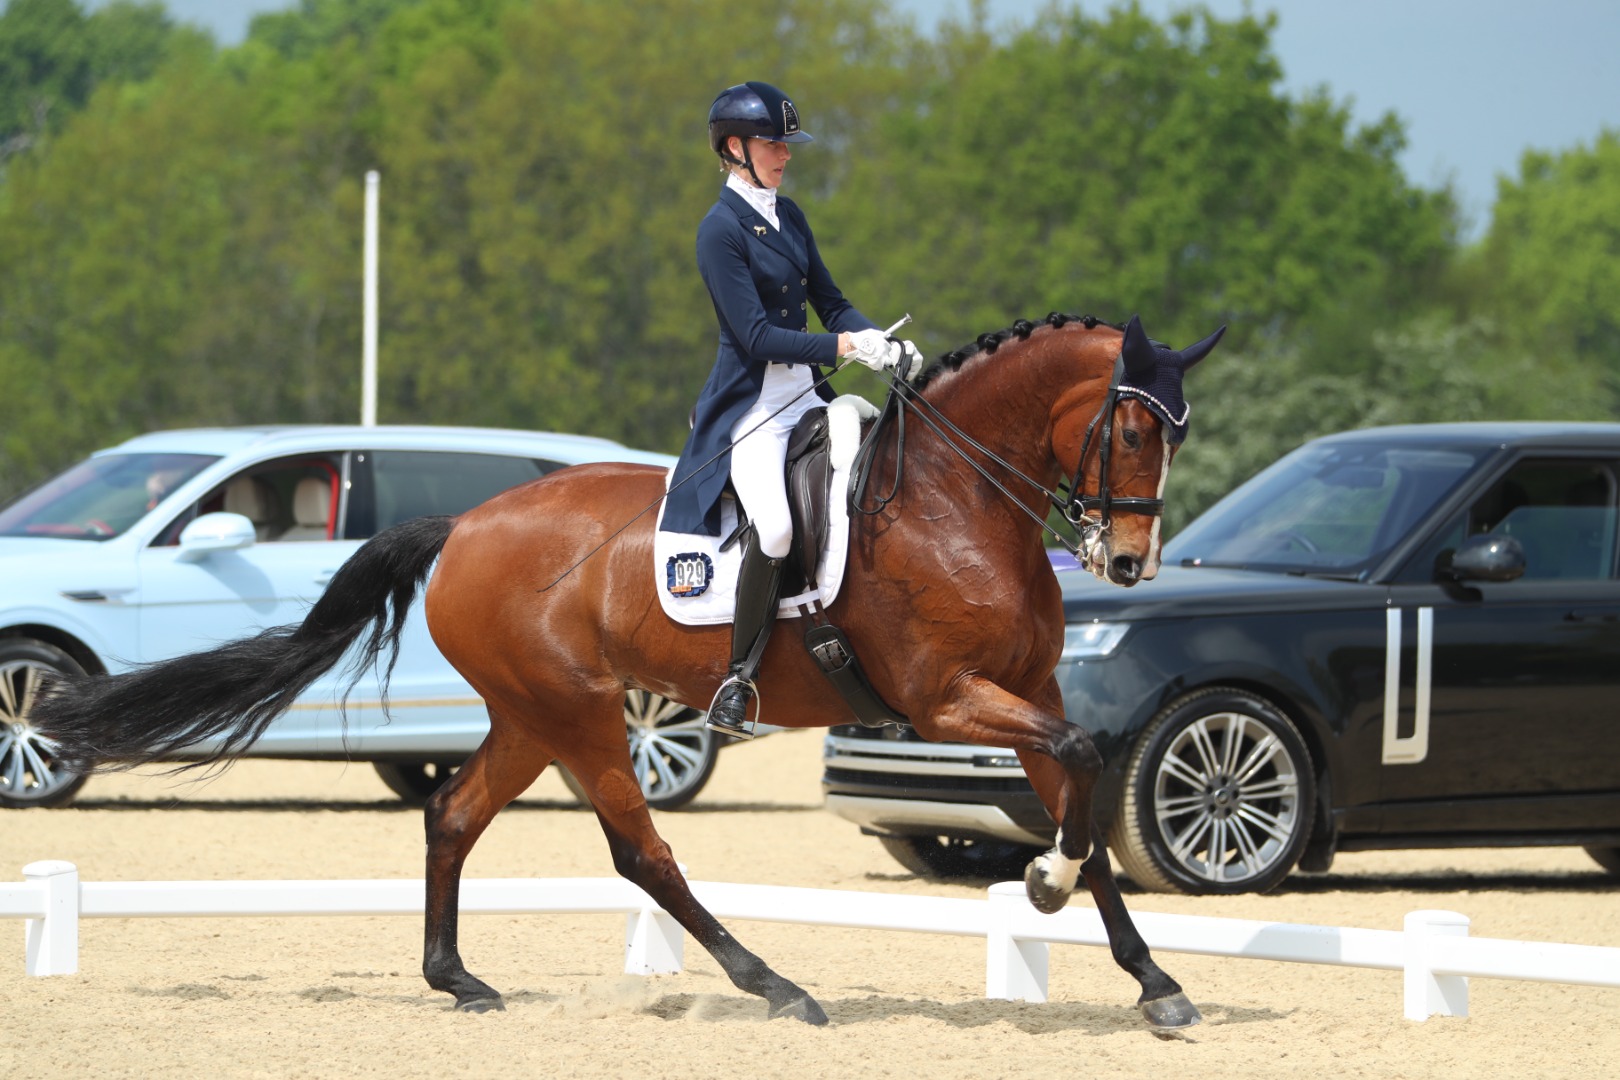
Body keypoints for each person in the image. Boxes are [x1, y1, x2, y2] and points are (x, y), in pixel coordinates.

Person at [661, 80, 919, 738]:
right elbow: (755, 336)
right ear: (735, 148)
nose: (786, 154)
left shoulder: (790, 216)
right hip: (753, 406)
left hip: (808, 395)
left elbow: (830, 301)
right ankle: (738, 678)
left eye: (786, 144)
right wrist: (844, 346)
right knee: (775, 528)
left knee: (874, 487)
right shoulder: (719, 231)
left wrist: (880, 342)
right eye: (774, 144)